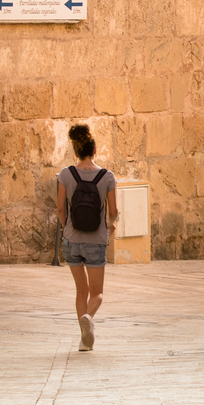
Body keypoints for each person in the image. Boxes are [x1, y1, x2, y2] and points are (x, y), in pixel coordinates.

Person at [56, 123, 118, 351]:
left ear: (76, 151)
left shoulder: (66, 174)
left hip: (71, 241)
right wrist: (110, 226)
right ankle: (88, 321)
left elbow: (61, 208)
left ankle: (85, 340)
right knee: (98, 294)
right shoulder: (107, 177)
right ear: (94, 151)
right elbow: (113, 212)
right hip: (96, 241)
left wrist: (66, 228)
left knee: (80, 291)